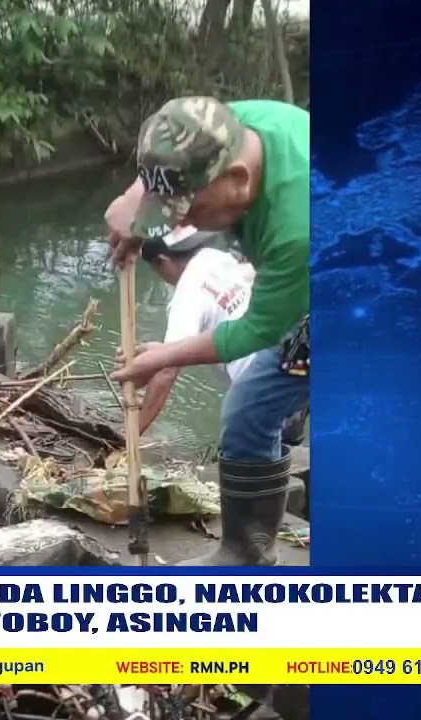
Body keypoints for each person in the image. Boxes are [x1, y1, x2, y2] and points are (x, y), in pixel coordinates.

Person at [107, 97, 310, 566]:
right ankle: (250, 549)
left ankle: (246, 552)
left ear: (238, 180)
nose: (177, 222)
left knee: (253, 405)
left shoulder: (298, 230)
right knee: (249, 414)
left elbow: (255, 332)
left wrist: (163, 357)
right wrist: (137, 214)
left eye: (188, 210)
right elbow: (168, 146)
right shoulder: (231, 126)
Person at [132, 227, 258, 435]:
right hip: (294, 355)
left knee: (243, 450)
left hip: (256, 377)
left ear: (162, 261)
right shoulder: (220, 257)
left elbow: (167, 368)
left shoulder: (188, 292)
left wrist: (135, 430)